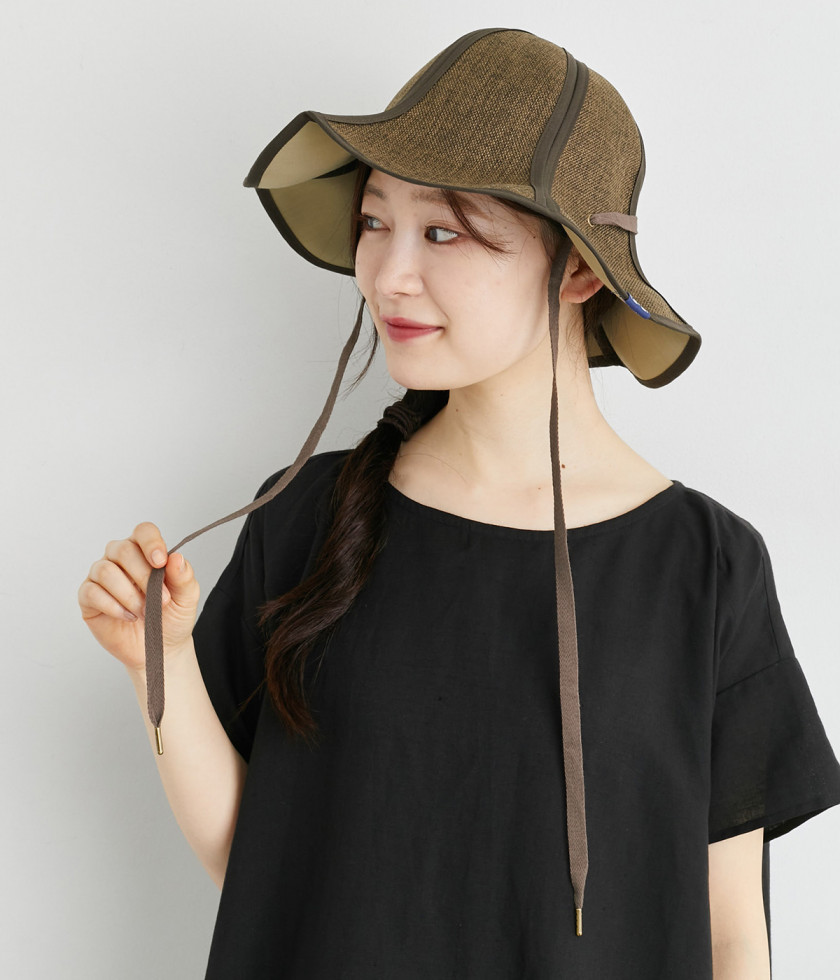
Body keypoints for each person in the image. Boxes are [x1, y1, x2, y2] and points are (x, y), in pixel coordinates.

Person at [77, 28, 840, 979]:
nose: (387, 274)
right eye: (375, 221)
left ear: (577, 269)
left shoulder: (706, 567)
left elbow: (731, 936)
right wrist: (157, 662)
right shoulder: (308, 518)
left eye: (442, 232)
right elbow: (260, 865)